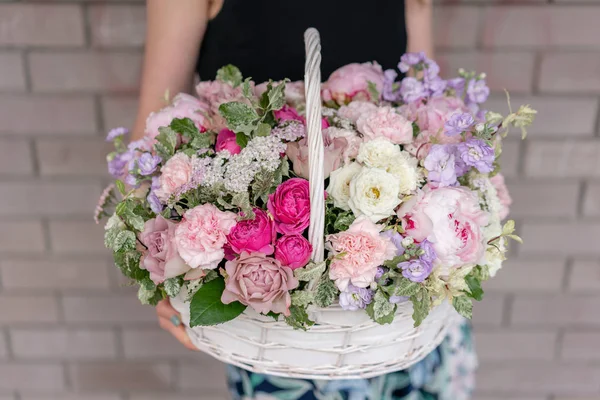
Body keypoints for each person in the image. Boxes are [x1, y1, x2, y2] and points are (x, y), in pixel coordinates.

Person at [132, 1, 476, 399]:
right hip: (280, 341)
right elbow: (154, 135)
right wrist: (162, 266)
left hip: (400, 325)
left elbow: (422, 102)